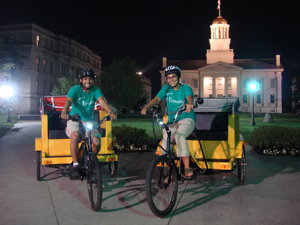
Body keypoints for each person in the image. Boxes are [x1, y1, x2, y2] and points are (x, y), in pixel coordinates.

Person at [61, 68, 117, 179]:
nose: (88, 81)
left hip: (89, 120)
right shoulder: (75, 89)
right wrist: (64, 111)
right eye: (85, 79)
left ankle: (91, 162)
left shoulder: (95, 90)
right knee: (75, 136)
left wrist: (110, 112)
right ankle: (76, 165)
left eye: (90, 79)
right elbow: (68, 101)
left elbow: (101, 101)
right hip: (74, 119)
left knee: (96, 142)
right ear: (81, 80)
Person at [141, 65, 196, 179]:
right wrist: (146, 107)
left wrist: (189, 103)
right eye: (169, 77)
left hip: (186, 119)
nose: (171, 79)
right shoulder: (166, 88)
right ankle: (171, 172)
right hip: (172, 121)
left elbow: (190, 97)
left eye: (173, 77)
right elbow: (157, 99)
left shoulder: (186, 88)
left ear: (179, 77)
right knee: (164, 145)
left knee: (179, 136)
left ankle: (187, 167)